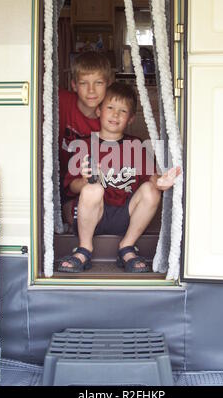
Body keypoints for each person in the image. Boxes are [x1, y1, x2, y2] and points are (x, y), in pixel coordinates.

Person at [58, 82, 181, 274]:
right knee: (93, 189)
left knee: (151, 190)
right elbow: (70, 188)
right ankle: (84, 249)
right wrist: (84, 179)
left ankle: (127, 246)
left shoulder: (137, 145)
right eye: (110, 108)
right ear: (98, 111)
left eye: (123, 111)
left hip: (125, 215)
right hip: (92, 216)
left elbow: (150, 178)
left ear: (131, 118)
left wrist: (160, 182)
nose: (115, 115)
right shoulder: (83, 144)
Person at [59, 51, 112, 223]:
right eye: (84, 83)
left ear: (107, 84)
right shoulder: (62, 101)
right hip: (61, 180)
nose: (91, 90)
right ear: (74, 85)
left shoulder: (110, 117)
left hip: (93, 185)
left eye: (98, 83)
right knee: (72, 217)